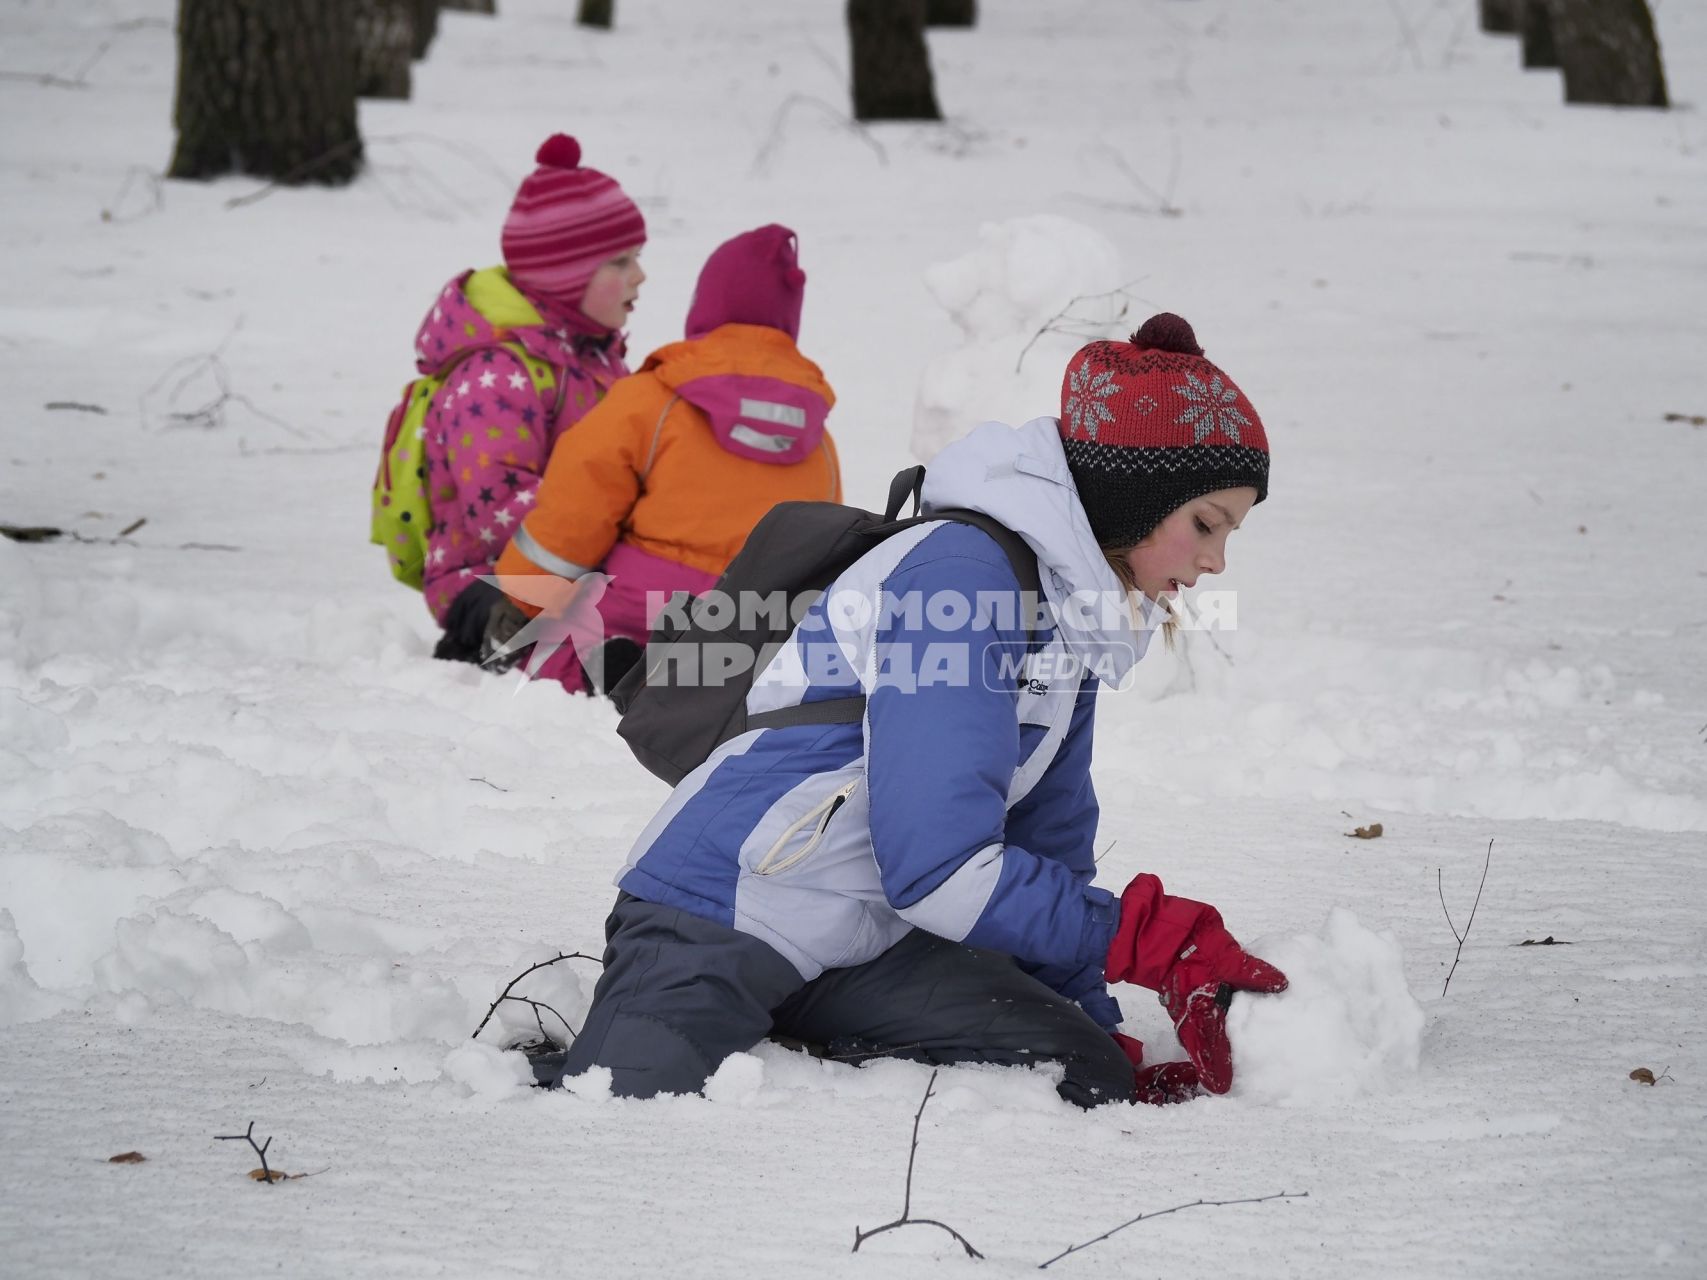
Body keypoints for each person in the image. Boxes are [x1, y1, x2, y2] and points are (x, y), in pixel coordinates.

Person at [547, 312, 1289, 1108]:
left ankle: (791, 1033)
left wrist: (1085, 1009)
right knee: (616, 1111)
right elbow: (937, 865)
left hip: (870, 946)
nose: (1214, 561)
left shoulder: (1067, 618)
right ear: (1131, 496)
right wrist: (1148, 941)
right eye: (1204, 524)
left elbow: (1048, 838)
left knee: (1083, 1074)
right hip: (725, 911)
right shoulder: (962, 578)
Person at [487, 224, 841, 694]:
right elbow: (823, 548)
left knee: (550, 650)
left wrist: (520, 598)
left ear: (706, 307)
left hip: (643, 610)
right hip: (750, 627)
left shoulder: (654, 398)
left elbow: (577, 509)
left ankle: (617, 669)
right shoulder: (816, 436)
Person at [412, 134, 648, 662]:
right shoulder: (495, 373)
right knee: (589, 641)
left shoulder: (598, 361)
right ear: (565, 278)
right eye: (619, 262)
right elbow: (497, 509)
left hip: (578, 566)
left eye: (637, 257)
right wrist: (617, 529)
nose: (640, 276)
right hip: (486, 583)